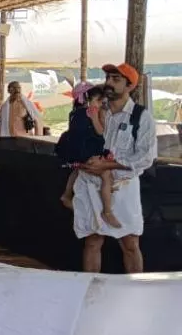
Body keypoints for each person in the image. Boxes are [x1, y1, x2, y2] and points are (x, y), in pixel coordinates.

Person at [74, 63, 157, 274]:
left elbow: (146, 157)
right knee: (92, 241)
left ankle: (135, 290)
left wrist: (108, 165)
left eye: (116, 79)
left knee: (130, 243)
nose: (109, 83)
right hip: (92, 183)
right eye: (108, 78)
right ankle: (90, 289)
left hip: (123, 186)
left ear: (130, 86)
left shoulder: (141, 116)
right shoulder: (98, 111)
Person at [58, 84, 121, 228]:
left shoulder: (75, 113)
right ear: (88, 100)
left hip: (79, 153)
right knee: (106, 175)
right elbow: (100, 133)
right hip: (87, 153)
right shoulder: (93, 114)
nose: (100, 104)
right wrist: (95, 119)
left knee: (77, 170)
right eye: (98, 101)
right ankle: (107, 211)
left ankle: (67, 195)